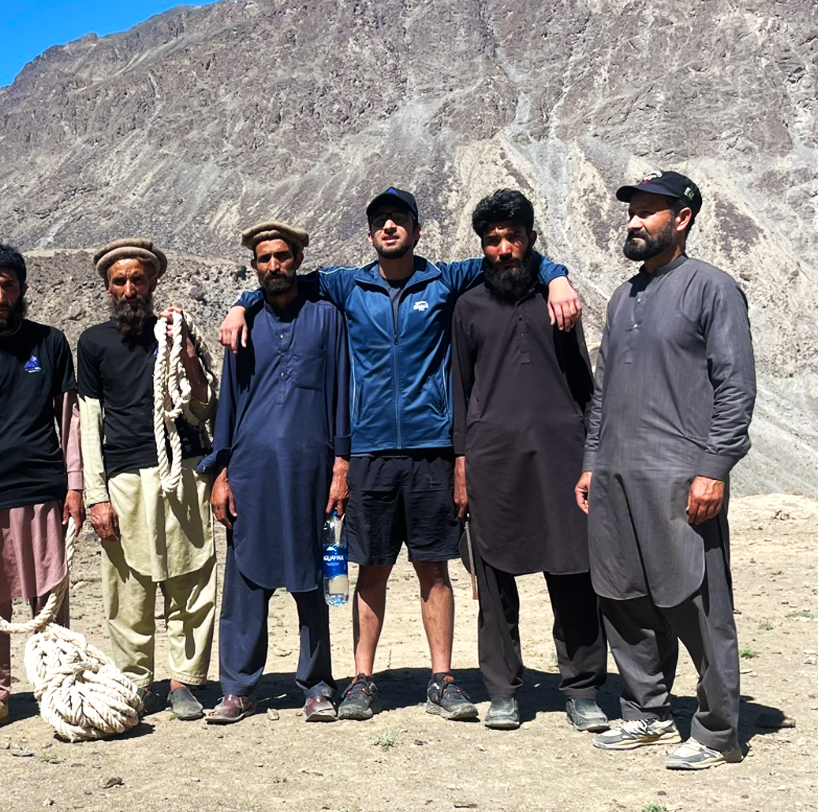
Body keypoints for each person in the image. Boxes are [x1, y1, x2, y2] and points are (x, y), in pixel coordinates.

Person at [219, 187, 582, 722]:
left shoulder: (445, 280)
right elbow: (280, 280)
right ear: (371, 234)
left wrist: (557, 276)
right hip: (369, 450)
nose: (389, 227)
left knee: (434, 568)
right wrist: (239, 304)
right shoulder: (348, 284)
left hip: (431, 448)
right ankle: (362, 680)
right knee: (373, 569)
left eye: (399, 219)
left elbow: (509, 255)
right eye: (380, 221)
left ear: (416, 229)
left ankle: (442, 678)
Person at [576, 170, 756, 770]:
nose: (633, 221)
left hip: (679, 475)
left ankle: (717, 730)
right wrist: (591, 462)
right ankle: (647, 712)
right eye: (631, 212)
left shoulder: (712, 288)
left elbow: (736, 387)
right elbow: (603, 391)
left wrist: (714, 468)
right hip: (615, 474)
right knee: (622, 595)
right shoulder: (622, 297)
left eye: (647, 211)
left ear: (681, 218)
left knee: (695, 600)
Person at [450, 190, 608, 733]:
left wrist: (592, 456)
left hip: (563, 456)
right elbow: (459, 388)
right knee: (494, 578)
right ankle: (502, 689)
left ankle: (582, 688)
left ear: (531, 240)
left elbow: (584, 385)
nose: (503, 249)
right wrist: (461, 462)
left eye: (512, 237)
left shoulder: (558, 302)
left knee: (574, 572)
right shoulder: (468, 306)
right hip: (493, 460)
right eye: (492, 240)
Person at [196, 221, 348, 724]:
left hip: (311, 468)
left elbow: (341, 392)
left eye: (282, 256)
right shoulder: (242, 325)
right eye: (264, 259)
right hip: (251, 470)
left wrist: (341, 464)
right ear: (254, 265)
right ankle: (238, 688)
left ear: (298, 260)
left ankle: (317, 685)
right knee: (245, 579)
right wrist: (221, 473)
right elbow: (229, 403)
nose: (274, 265)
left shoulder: (326, 316)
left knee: (311, 576)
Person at [0, 243, 84, 731]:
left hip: (43, 488)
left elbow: (69, 420)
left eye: (8, 285)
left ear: (22, 288)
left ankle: (60, 685)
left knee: (50, 595)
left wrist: (75, 485)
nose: (0, 296)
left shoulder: (50, 342)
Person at [78, 238, 217, 719]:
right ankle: (137, 680)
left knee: (190, 579)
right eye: (120, 281)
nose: (129, 289)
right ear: (107, 287)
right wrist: (96, 496)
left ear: (153, 281)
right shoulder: (93, 343)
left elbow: (204, 410)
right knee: (128, 588)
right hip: (125, 479)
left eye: (138, 279)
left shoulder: (176, 334)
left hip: (183, 471)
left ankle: (184, 681)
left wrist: (190, 357)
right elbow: (90, 424)